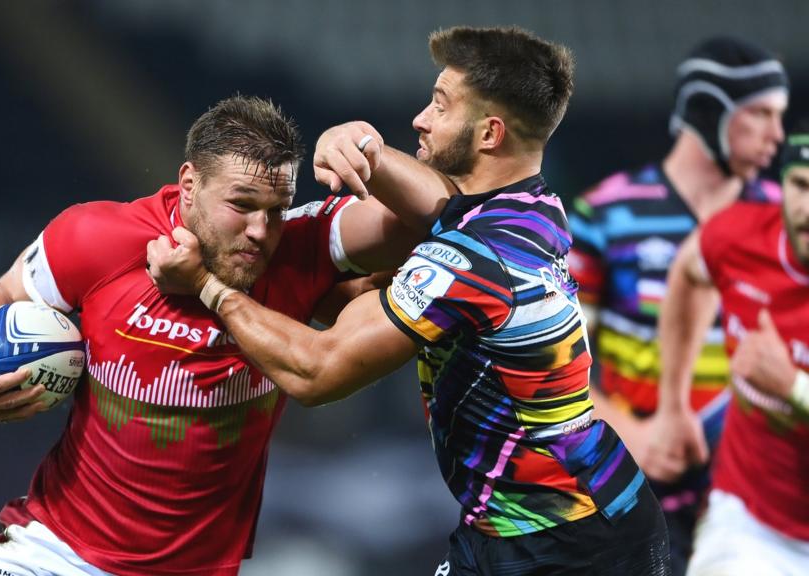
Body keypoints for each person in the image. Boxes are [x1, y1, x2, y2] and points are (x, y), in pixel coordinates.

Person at [149, 26, 670, 575]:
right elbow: (437, 203)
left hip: (576, 544)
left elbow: (317, 372)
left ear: (489, 134)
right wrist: (355, 141)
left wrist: (210, 286)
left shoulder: (475, 259)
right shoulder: (530, 206)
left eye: (440, 106)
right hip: (510, 524)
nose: (421, 117)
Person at [0, 95, 427, 576]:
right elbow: (7, 290)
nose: (260, 229)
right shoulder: (98, 238)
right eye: (242, 203)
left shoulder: (301, 246)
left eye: (276, 208)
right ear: (189, 183)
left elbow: (442, 218)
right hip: (56, 553)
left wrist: (368, 152)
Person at [566, 36, 788, 573]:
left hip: (750, 496)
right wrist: (631, 434)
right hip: (633, 488)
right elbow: (555, 360)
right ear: (710, 111)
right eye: (759, 114)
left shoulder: (788, 221)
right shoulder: (605, 215)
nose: (776, 135)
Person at [648, 130, 809, 575]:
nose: (807, 210)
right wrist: (674, 404)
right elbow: (689, 270)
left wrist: (792, 385)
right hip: (750, 521)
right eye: (801, 186)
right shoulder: (741, 237)